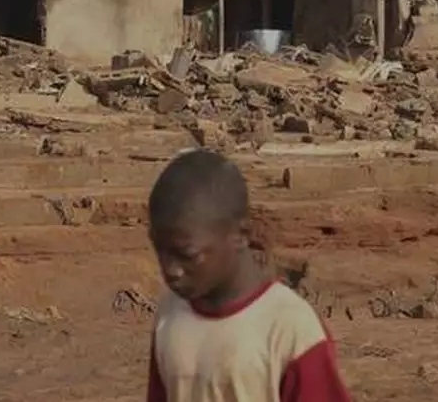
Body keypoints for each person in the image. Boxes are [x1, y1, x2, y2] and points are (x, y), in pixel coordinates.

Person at [145, 149, 351, 402]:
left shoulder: (290, 329)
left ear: (240, 235)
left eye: (187, 255)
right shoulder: (170, 313)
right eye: (159, 250)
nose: (169, 270)